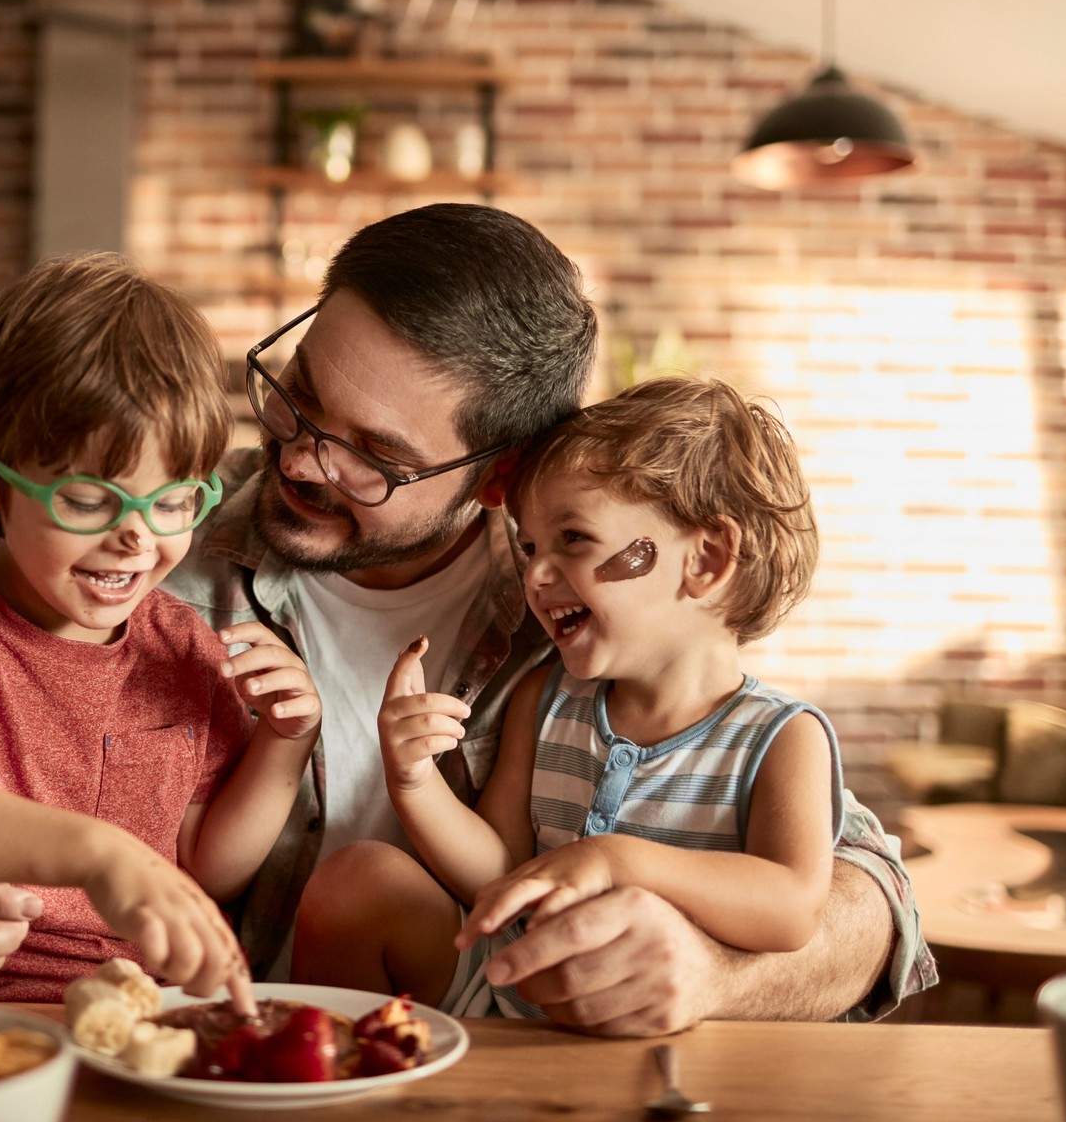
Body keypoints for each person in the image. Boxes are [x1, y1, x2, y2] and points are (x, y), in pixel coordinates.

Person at [0, 203, 936, 1032]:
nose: (302, 455)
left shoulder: (582, 612)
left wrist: (716, 974)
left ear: (496, 476)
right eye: (300, 392)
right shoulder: (156, 538)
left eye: (376, 454)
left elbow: (867, 892)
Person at [0, 253, 321, 1004]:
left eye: (174, 501)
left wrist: (285, 746)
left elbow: (200, 861)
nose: (137, 537)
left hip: (145, 1015)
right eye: (90, 501)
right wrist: (95, 855)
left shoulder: (184, 645)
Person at [296, 377, 844, 1016]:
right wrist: (414, 782)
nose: (534, 573)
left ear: (707, 559)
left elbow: (792, 908)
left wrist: (615, 859)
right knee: (355, 881)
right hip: (507, 987)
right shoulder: (547, 700)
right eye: (527, 546)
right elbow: (501, 875)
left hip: (655, 1021)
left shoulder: (780, 739)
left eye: (573, 539)